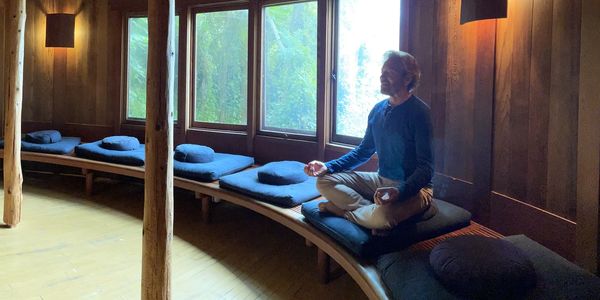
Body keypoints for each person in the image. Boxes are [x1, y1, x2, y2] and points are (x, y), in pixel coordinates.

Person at [304, 50, 434, 234]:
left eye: (389, 72)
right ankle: (368, 212)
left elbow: (426, 169)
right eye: (382, 72)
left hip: (415, 189)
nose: (382, 76)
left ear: (407, 79)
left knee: (384, 218)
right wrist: (327, 166)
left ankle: (345, 213)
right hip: (381, 180)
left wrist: (400, 192)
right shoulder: (377, 110)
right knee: (324, 181)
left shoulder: (420, 113)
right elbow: (363, 152)